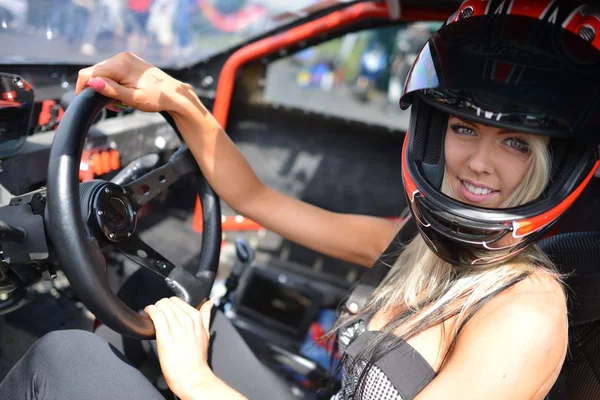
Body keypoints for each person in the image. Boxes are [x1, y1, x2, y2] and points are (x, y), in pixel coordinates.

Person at [2, 0, 600, 399]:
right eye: (464, 128)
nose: (478, 162)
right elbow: (254, 197)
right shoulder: (428, 247)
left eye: (516, 142)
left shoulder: (526, 312)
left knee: (62, 359)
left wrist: (198, 383)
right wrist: (178, 99)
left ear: (556, 161)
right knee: (145, 297)